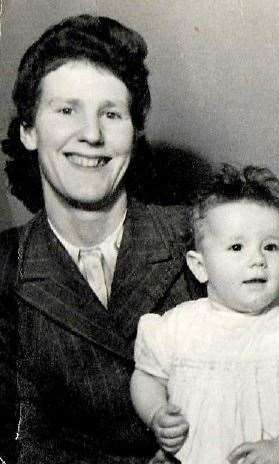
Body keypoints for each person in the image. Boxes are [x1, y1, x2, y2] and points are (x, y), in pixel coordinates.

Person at [0, 15, 203, 463]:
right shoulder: (5, 267)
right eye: (67, 110)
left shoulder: (202, 237)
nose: (91, 135)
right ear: (29, 131)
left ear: (133, 132)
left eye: (111, 114)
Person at [131, 164, 279, 464]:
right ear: (199, 266)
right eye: (237, 247)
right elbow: (146, 377)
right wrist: (156, 413)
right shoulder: (177, 326)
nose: (257, 260)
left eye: (270, 246)